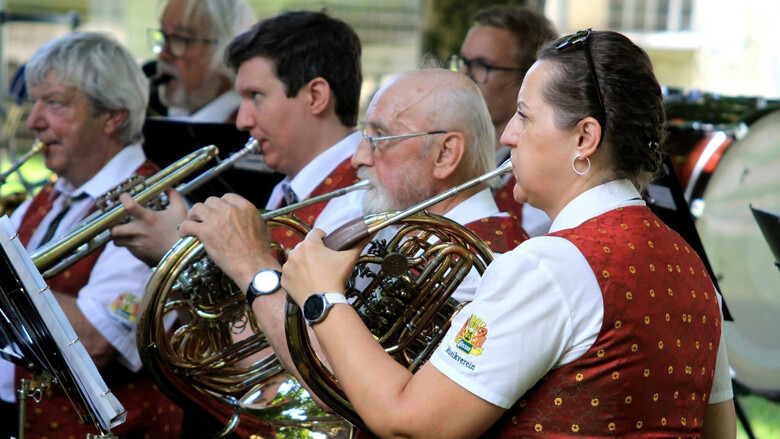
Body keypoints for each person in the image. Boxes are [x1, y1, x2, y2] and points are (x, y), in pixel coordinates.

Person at [281, 30, 737, 438]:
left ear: (585, 139)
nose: (508, 134)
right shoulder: (692, 269)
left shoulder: (548, 266)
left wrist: (322, 297)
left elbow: (412, 424)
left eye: (524, 116)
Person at [177, 67, 529, 401]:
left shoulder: (486, 262)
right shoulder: (399, 230)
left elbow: (343, 385)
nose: (358, 158)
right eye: (364, 137)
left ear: (445, 153)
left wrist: (251, 266)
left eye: (379, 138)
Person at [0, 33, 181, 438]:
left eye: (56, 103)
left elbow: (97, 339)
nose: (33, 121)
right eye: (35, 101)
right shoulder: (51, 194)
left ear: (112, 116)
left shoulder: (151, 207)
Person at [113, 10, 366, 267]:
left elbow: (299, 305)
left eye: (255, 95)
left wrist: (178, 253)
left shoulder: (358, 199)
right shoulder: (289, 188)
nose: (242, 121)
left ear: (315, 96)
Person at [453, 5, 557, 237]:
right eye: (463, 62)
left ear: (528, 77)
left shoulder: (544, 179)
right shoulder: (452, 151)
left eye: (482, 65)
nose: (464, 77)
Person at [147, 0, 255, 122]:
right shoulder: (172, 113)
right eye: (162, 35)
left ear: (226, 50)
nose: (163, 54)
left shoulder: (246, 127)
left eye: (180, 39)